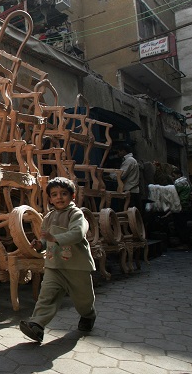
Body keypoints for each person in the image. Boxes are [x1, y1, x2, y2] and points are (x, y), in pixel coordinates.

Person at [19, 177, 97, 343]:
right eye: (54, 194)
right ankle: (37, 325)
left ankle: (88, 315)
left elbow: (77, 234)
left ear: (72, 196)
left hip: (77, 267)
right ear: (50, 199)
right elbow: (47, 240)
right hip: (54, 265)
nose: (59, 197)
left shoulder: (76, 214)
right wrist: (40, 244)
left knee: (83, 300)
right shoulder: (48, 217)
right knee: (46, 296)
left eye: (64, 193)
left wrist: (53, 238)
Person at [113, 144, 140, 209]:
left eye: (119, 151)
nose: (118, 154)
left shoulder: (129, 161)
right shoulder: (130, 160)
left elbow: (121, 175)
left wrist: (111, 176)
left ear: (123, 151)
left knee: (127, 212)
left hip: (130, 191)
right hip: (132, 191)